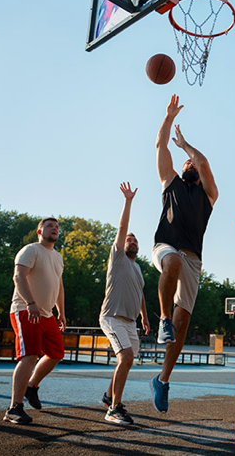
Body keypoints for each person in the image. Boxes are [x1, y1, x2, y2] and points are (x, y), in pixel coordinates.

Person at [150, 94, 218, 413]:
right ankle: (163, 318)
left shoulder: (209, 195)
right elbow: (160, 147)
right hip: (166, 248)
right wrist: (167, 118)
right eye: (186, 162)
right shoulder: (171, 182)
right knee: (172, 262)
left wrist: (187, 145)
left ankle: (162, 380)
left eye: (192, 163)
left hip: (194, 259)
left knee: (184, 321)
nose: (190, 163)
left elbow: (202, 162)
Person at [3, 217, 67, 425]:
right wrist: (30, 303)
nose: (54, 229)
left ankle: (32, 386)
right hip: (25, 310)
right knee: (29, 356)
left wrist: (62, 312)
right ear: (39, 232)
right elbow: (18, 276)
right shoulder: (31, 250)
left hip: (47, 315)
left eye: (56, 227)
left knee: (56, 353)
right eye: (49, 226)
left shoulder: (57, 257)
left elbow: (59, 287)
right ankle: (14, 407)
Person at [98, 182, 150, 425]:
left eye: (135, 240)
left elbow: (140, 294)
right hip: (112, 316)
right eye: (129, 239)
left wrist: (146, 318)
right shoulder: (117, 257)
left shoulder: (138, 268)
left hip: (131, 322)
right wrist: (128, 201)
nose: (132, 241)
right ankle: (114, 409)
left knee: (126, 360)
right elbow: (122, 227)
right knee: (126, 357)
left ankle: (109, 397)